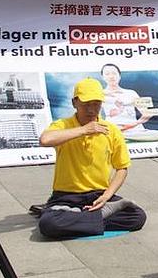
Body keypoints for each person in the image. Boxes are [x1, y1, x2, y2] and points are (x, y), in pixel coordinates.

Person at [35, 78, 146, 239]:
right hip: (66, 196)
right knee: (48, 225)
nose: (91, 110)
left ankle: (82, 217)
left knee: (137, 217)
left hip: (99, 195)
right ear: (75, 103)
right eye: (86, 104)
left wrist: (107, 196)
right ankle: (95, 217)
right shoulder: (63, 125)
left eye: (96, 104)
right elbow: (45, 140)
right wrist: (83, 130)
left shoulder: (111, 130)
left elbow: (122, 168)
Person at [100, 63, 158, 142]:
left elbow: (147, 113)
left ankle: (123, 138)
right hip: (113, 129)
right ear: (103, 77)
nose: (111, 76)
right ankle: (119, 137)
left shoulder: (131, 93)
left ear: (119, 76)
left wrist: (132, 125)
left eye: (114, 73)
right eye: (107, 74)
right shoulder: (99, 94)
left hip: (135, 130)